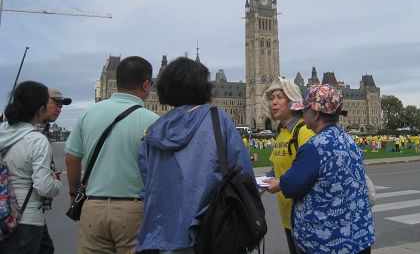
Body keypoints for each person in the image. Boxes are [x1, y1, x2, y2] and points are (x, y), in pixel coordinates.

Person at [136, 57, 255, 254]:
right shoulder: (218, 120)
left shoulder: (152, 132)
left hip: (165, 236)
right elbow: (244, 174)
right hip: (214, 231)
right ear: (204, 88)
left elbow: (148, 185)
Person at [65, 56, 159, 253]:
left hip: (93, 206)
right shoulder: (153, 121)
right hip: (134, 210)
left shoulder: (88, 113)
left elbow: (72, 157)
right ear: (146, 84)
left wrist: (74, 194)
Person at [266, 84, 375, 254]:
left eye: (305, 110)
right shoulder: (348, 140)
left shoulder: (315, 146)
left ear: (315, 114)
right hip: (359, 238)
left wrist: (276, 184)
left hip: (329, 242)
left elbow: (293, 184)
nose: (301, 114)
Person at [0, 81, 62, 254]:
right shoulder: (36, 139)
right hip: (25, 219)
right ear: (41, 109)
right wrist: (56, 183)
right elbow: (43, 187)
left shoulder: (3, 131)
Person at [261, 77, 315, 254]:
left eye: (279, 97)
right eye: (271, 98)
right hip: (288, 217)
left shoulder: (304, 131)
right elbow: (275, 170)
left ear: (293, 101)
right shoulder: (282, 133)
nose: (273, 102)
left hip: (306, 218)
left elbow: (309, 173)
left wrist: (281, 184)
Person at [36, 88, 72, 254]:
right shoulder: (35, 133)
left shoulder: (43, 130)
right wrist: (55, 182)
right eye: (55, 103)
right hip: (26, 212)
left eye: (61, 105)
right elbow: (43, 185)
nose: (59, 108)